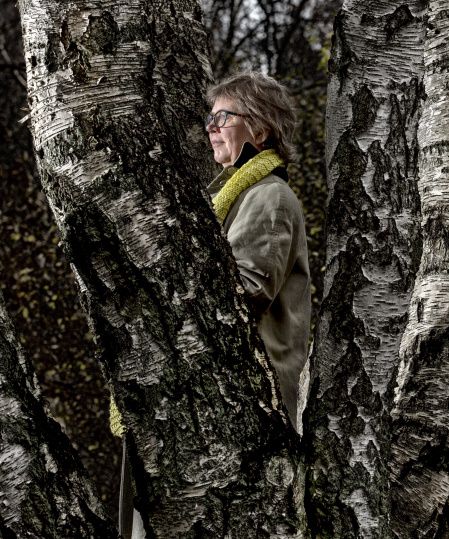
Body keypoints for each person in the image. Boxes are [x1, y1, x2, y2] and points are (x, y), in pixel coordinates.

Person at [116, 71, 310, 539]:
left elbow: (241, 296)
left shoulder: (269, 197)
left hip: (244, 403)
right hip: (217, 397)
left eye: (222, 116)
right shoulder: (242, 195)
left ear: (260, 131)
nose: (210, 127)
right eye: (210, 117)